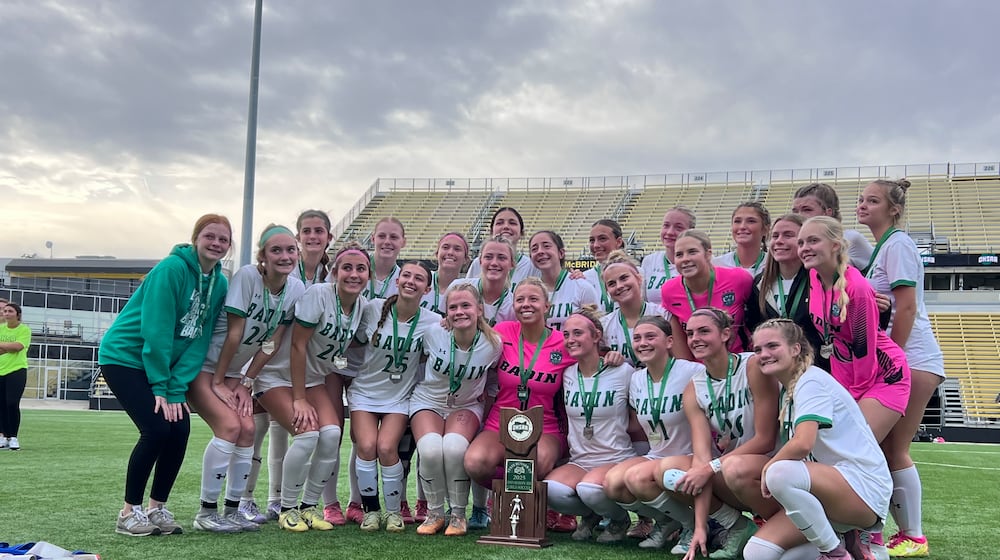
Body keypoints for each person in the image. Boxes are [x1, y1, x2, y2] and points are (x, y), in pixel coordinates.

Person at [98, 214, 231, 537]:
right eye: (209, 236)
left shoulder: (220, 282)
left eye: (223, 239)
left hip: (165, 369)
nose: (216, 243)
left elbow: (198, 339)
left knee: (180, 428)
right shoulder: (171, 269)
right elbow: (156, 331)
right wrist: (161, 385)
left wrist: (176, 387)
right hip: (125, 358)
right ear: (196, 238)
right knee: (156, 429)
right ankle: (129, 512)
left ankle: (157, 508)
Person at [188, 225, 305, 533]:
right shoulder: (247, 277)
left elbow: (273, 342)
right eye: (276, 250)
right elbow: (235, 334)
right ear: (262, 256)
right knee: (229, 426)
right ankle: (205, 513)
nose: (284, 256)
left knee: (249, 429)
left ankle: (232, 510)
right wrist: (218, 381)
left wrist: (245, 381)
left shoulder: (295, 289)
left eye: (290, 250)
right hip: (207, 366)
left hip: (234, 374)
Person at [748, 319, 892, 560]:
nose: (764, 354)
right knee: (757, 553)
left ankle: (835, 552)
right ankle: (845, 541)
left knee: (779, 473)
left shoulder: (811, 381)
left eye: (772, 346)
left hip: (862, 488)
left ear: (796, 349)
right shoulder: (792, 388)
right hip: (827, 493)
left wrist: (768, 468)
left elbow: (803, 443)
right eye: (758, 350)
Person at [857, 179, 944, 557]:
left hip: (912, 358)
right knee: (885, 447)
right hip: (902, 358)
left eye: (872, 200)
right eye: (861, 199)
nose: (863, 205)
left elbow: (906, 306)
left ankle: (913, 534)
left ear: (893, 209)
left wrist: (892, 357)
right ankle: (897, 532)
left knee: (895, 448)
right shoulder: (882, 247)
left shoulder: (898, 244)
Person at [257, 242, 370, 533]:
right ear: (334, 272)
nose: (354, 274)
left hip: (313, 379)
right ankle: (287, 508)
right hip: (277, 376)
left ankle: (308, 508)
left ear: (368, 275)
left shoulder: (361, 305)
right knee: (307, 436)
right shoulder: (319, 295)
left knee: (331, 435)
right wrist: (299, 399)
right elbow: (298, 345)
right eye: (347, 268)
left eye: (361, 269)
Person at [652, 308, 779, 560]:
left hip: (773, 465)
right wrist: (700, 525)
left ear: (725, 334)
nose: (694, 338)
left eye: (703, 331)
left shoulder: (752, 366)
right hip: (733, 468)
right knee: (667, 472)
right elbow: (701, 459)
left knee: (731, 467)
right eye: (689, 333)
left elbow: (766, 440)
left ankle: (780, 522)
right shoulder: (694, 388)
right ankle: (735, 526)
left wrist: (709, 468)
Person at [463, 278, 577, 510]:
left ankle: (529, 507)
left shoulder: (562, 343)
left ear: (547, 306)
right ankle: (509, 499)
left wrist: (611, 359)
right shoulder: (502, 333)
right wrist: (448, 325)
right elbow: (467, 337)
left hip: (545, 426)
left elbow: (591, 358)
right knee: (475, 463)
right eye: (520, 299)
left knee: (536, 463)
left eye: (533, 299)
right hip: (501, 422)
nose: (526, 304)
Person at [798, 216, 911, 444]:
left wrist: (851, 397)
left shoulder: (856, 288)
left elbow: (863, 351)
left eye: (813, 241)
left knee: (856, 451)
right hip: (847, 375)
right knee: (840, 451)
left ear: (835, 246)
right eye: (801, 243)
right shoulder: (813, 276)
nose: (804, 248)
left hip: (882, 375)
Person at [350, 261, 439, 533]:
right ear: (398, 280)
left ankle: (392, 512)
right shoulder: (372, 308)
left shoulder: (433, 321)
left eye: (419, 278)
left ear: (427, 288)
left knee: (388, 449)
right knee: (366, 446)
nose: (411, 281)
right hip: (365, 393)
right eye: (407, 275)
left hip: (399, 397)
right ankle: (371, 511)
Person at [601, 316, 703, 549]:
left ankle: (694, 525)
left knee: (636, 478)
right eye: (637, 338)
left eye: (650, 336)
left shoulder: (692, 370)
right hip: (657, 454)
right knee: (613, 483)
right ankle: (667, 521)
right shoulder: (636, 379)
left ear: (669, 341)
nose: (642, 343)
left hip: (690, 453)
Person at [411, 283, 502, 536]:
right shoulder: (433, 333)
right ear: (445, 312)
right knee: (429, 450)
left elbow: (495, 377)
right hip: (428, 400)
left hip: (466, 404)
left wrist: (489, 399)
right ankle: (435, 513)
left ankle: (459, 514)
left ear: (479, 309)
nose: (459, 311)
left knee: (454, 447)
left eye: (466, 306)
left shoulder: (493, 343)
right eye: (453, 307)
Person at [544, 308, 637, 543]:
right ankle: (593, 516)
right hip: (581, 459)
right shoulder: (567, 374)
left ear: (596, 336)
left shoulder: (622, 371)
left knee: (589, 489)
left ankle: (619, 520)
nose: (570, 340)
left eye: (578, 333)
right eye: (565, 335)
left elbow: (639, 415)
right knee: (550, 490)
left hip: (615, 457)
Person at [344, 217, 406, 524]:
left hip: (395, 381)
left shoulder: (406, 281)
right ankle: (360, 504)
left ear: (402, 242)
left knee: (388, 446)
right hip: (357, 374)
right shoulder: (357, 270)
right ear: (373, 239)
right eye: (382, 235)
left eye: (394, 236)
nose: (387, 241)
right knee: (361, 443)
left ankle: (397, 508)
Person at [744, 214, 826, 371]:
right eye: (775, 236)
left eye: (788, 235)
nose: (779, 241)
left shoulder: (821, 279)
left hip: (817, 368)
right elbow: (754, 325)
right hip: (776, 371)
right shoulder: (760, 283)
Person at [661, 230, 753, 359]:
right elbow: (678, 342)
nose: (685, 259)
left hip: (738, 363)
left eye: (692, 252)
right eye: (679, 255)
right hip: (700, 370)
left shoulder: (739, 279)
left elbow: (756, 318)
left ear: (708, 254)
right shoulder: (669, 291)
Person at [599, 250, 668, 367]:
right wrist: (609, 359)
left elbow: (679, 359)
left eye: (624, 278)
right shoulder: (604, 325)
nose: (619, 286)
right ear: (607, 292)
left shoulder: (663, 315)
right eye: (611, 284)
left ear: (639, 279)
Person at [529, 230, 599, 332]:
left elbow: (596, 330)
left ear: (561, 253)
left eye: (546, 246)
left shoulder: (582, 287)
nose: (540, 251)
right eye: (534, 249)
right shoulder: (530, 291)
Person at [792, 183, 873, 270]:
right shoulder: (796, 245)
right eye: (795, 211)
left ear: (827, 212)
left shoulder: (850, 239)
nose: (799, 216)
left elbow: (878, 274)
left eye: (807, 210)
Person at [465, 207, 541, 286]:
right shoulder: (478, 263)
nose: (506, 226)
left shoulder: (531, 266)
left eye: (512, 223)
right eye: (499, 223)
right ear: (491, 231)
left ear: (521, 233)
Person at [641, 206, 696, 305]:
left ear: (691, 231)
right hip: (656, 319)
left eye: (678, 227)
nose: (670, 232)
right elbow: (643, 302)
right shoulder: (649, 261)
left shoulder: (701, 261)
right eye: (666, 225)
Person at [0, 302, 31, 451]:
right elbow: (10, 348)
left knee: (12, 403)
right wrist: (8, 347)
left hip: (17, 370)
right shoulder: (0, 329)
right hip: (0, 370)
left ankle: (13, 437)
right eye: (5, 311)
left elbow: (18, 347)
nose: (6, 313)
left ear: (17, 314)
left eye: (10, 311)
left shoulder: (24, 330)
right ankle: (3, 436)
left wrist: (4, 346)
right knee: (1, 405)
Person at [713, 202, 771, 278]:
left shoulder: (774, 265)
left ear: (765, 229)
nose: (742, 226)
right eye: (737, 221)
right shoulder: (717, 265)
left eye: (751, 221)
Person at [421, 232, 470, 316]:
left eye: (457, 249)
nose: (450, 252)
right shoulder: (422, 280)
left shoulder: (468, 291)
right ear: (437, 254)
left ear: (465, 259)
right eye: (445, 247)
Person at [582, 219, 626, 313]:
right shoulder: (584, 279)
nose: (596, 245)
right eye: (592, 240)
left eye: (602, 239)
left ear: (618, 242)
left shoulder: (637, 273)